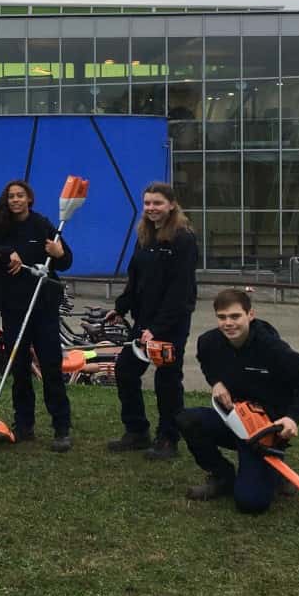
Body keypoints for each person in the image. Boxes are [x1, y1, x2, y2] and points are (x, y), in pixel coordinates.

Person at [177, 289, 299, 512]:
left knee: (250, 504)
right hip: (234, 420)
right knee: (187, 420)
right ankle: (222, 476)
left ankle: (274, 471)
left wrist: (292, 418)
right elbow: (206, 362)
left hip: (264, 431)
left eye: (235, 317)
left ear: (250, 315)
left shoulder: (272, 348)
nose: (228, 323)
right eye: (222, 317)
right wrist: (216, 382)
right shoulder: (208, 342)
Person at [105, 182, 198, 459]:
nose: (151, 208)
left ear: (171, 204)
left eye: (157, 203)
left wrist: (157, 329)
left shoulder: (183, 238)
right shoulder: (145, 235)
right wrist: (121, 307)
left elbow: (180, 290)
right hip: (143, 321)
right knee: (125, 370)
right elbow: (136, 279)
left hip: (170, 324)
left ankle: (168, 439)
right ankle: (136, 431)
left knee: (167, 381)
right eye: (147, 203)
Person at [0, 180, 74, 452]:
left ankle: (61, 427)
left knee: (51, 365)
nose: (16, 200)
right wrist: (7, 252)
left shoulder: (42, 225)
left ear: (29, 198)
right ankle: (24, 425)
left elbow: (66, 262)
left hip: (42, 306)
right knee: (19, 367)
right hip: (13, 308)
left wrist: (59, 253)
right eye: (11, 196)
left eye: (20, 195)